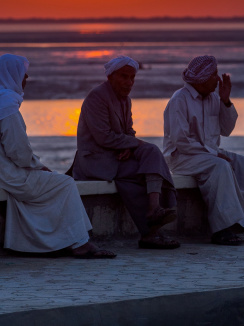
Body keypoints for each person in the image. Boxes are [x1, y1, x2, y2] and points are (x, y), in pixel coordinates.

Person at [0, 53, 116, 258]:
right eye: (23, 74)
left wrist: (33, 166)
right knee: (64, 183)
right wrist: (37, 165)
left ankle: (49, 242)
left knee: (49, 183)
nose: (26, 79)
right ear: (13, 75)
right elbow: (18, 151)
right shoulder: (6, 103)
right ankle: (80, 244)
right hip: (7, 176)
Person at [163, 55, 244, 246]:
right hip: (182, 157)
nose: (218, 80)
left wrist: (226, 101)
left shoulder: (213, 98)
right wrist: (212, 154)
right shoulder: (180, 100)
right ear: (202, 78)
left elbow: (226, 130)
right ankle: (221, 229)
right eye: (214, 75)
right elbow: (181, 141)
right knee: (221, 167)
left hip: (210, 153)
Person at [72, 55, 179, 249]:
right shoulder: (96, 97)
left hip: (116, 156)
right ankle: (151, 229)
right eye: (124, 76)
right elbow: (103, 137)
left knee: (151, 153)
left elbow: (128, 132)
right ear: (111, 76)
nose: (129, 82)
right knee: (142, 172)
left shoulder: (125, 100)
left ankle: (154, 212)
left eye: (132, 78)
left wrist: (129, 146)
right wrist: (130, 144)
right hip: (95, 160)